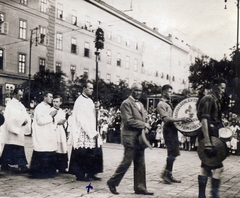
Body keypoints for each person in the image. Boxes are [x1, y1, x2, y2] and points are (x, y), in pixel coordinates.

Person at [107, 83, 154, 195]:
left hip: (139, 138)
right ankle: (112, 182)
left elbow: (146, 116)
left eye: (140, 90)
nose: (138, 93)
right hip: (129, 137)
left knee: (140, 162)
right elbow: (129, 121)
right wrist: (144, 124)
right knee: (127, 161)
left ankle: (140, 187)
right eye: (136, 90)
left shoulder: (141, 104)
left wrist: (146, 123)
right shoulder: (126, 103)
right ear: (131, 90)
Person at [196, 77, 227, 198]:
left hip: (211, 137)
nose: (223, 91)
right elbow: (204, 120)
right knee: (218, 168)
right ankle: (214, 196)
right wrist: (208, 142)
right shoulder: (209, 99)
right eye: (222, 88)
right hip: (208, 138)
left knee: (205, 167)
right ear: (215, 87)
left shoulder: (214, 99)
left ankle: (202, 196)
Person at [68, 80, 103, 181]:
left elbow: (93, 116)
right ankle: (80, 174)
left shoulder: (90, 101)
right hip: (83, 131)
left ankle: (91, 172)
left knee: (93, 151)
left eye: (92, 88)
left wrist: (97, 109)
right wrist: (91, 132)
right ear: (84, 89)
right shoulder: (80, 101)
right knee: (83, 152)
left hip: (91, 129)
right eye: (90, 88)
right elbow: (82, 119)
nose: (92, 90)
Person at [156, 84, 191, 184]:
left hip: (173, 128)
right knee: (172, 152)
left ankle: (167, 174)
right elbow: (166, 119)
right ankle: (166, 175)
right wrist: (181, 119)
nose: (171, 94)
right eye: (169, 92)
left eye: (171, 92)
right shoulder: (161, 104)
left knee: (174, 153)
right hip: (168, 129)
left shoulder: (169, 103)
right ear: (163, 92)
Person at [0, 88, 31, 173]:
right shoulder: (11, 103)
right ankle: (20, 165)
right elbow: (11, 116)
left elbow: (24, 114)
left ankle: (6, 164)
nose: (21, 97)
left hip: (19, 129)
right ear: (14, 94)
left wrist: (26, 120)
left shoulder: (20, 105)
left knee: (16, 146)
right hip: (12, 130)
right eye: (19, 95)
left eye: (21, 95)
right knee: (13, 146)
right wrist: (21, 121)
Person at [29, 91, 58, 178]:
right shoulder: (40, 107)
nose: (52, 99)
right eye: (50, 97)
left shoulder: (48, 107)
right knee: (42, 151)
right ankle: (39, 173)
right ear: (45, 97)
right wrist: (51, 116)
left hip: (48, 133)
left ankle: (48, 172)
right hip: (42, 133)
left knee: (49, 150)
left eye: (52, 97)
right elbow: (40, 121)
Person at [51, 95, 68, 173]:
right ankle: (53, 167)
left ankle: (62, 167)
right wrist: (57, 122)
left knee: (62, 148)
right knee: (55, 148)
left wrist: (64, 122)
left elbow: (65, 121)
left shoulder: (62, 111)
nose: (55, 103)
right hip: (54, 130)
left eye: (57, 102)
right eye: (54, 101)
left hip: (61, 131)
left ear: (60, 102)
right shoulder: (50, 110)